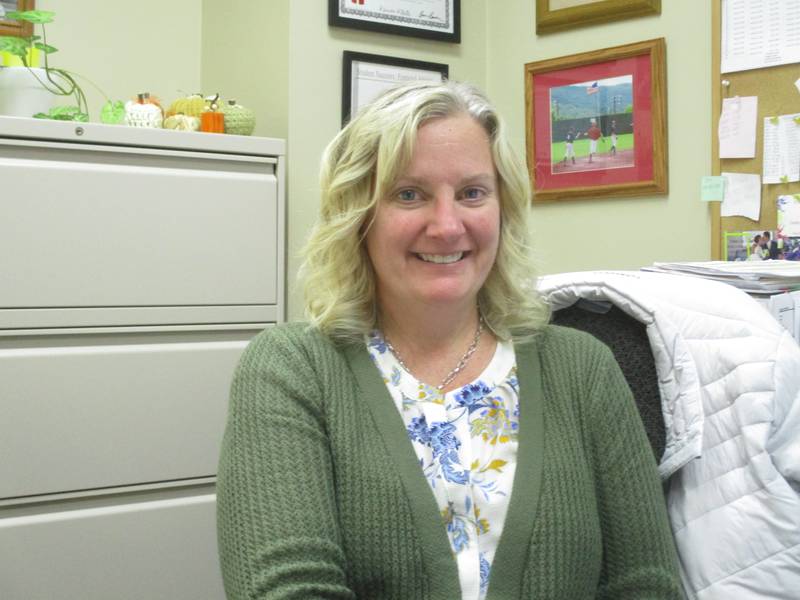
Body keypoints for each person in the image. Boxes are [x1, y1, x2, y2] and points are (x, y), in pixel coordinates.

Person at [216, 80, 684, 599]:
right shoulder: (291, 370)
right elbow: (288, 591)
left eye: (472, 193)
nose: (447, 225)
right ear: (359, 216)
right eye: (409, 194)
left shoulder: (583, 368)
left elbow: (646, 584)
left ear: (502, 209)